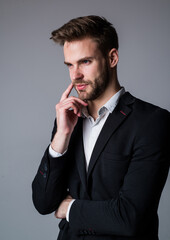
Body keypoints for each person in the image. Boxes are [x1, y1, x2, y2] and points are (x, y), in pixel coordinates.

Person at [32, 15, 170, 240]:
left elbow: (130, 217)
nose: (75, 75)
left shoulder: (152, 122)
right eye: (70, 65)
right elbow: (44, 202)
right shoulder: (67, 121)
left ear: (112, 58)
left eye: (85, 62)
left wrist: (70, 209)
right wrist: (61, 136)